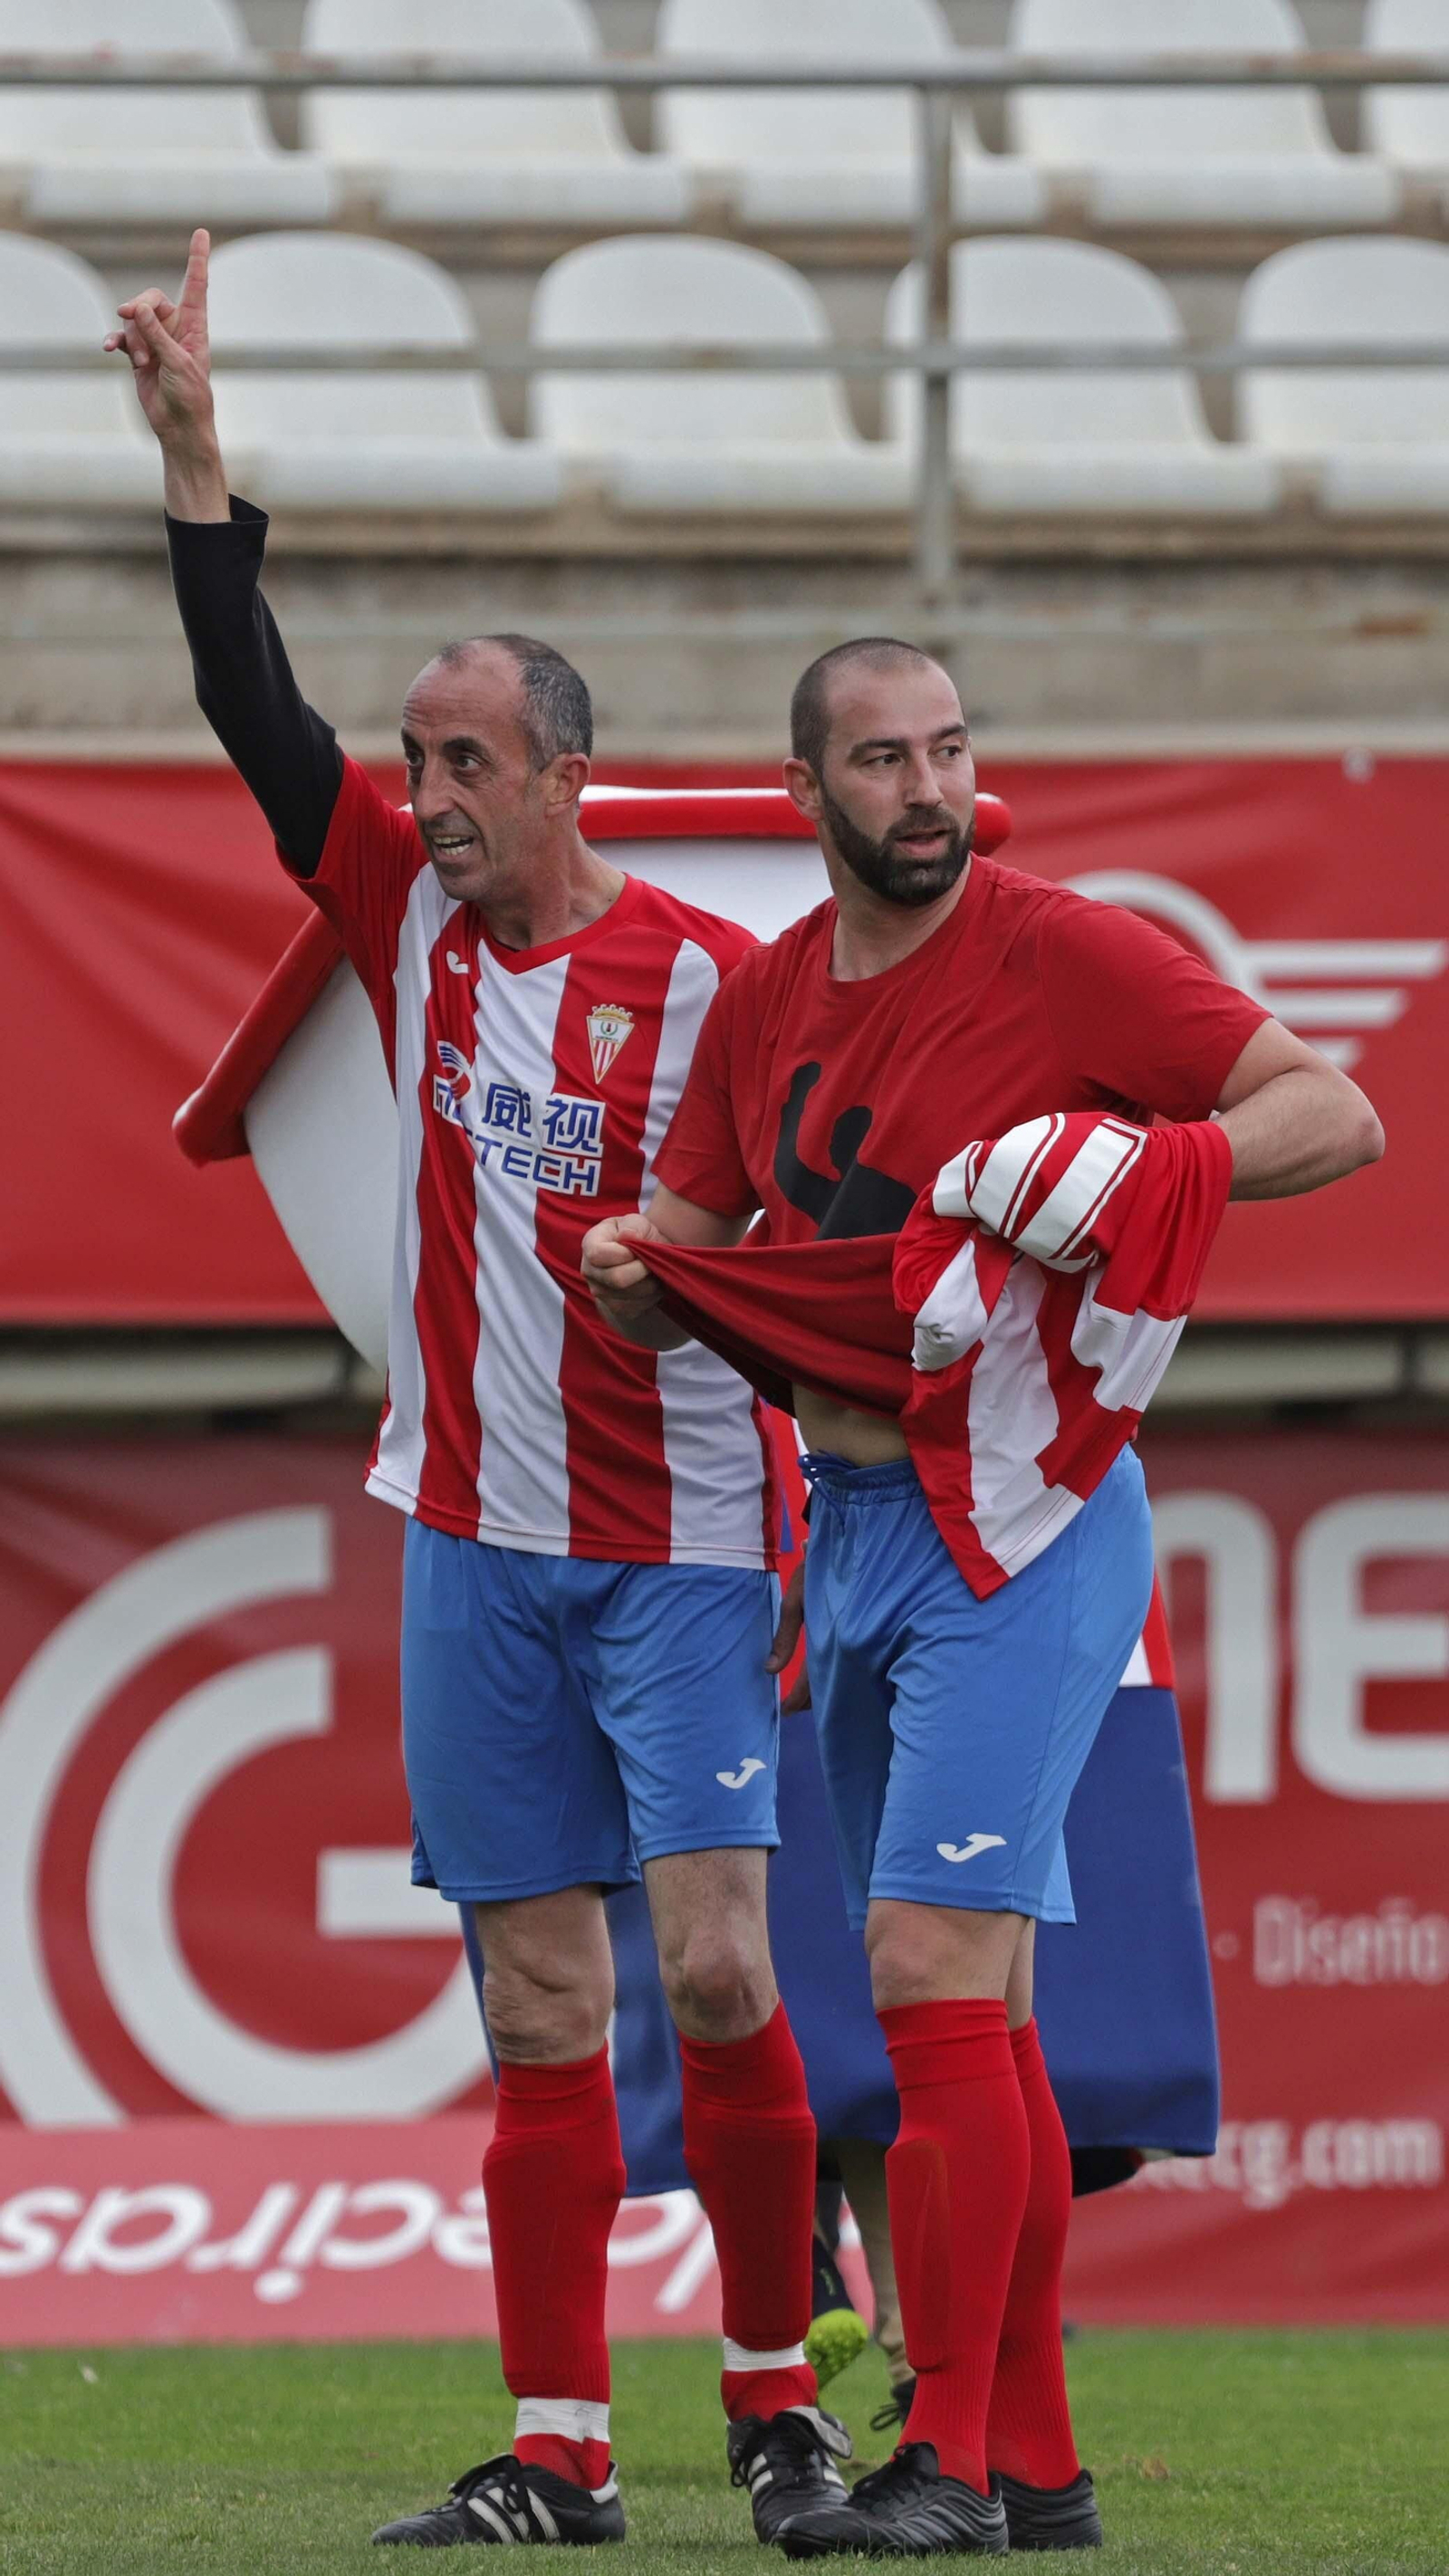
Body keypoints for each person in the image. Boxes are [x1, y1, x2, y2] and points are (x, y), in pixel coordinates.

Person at [107, 232, 857, 2553]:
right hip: (469, 1540)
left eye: (463, 763)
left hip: (689, 1539)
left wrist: (697, 1280)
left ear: (559, 775)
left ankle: (774, 2395)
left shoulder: (725, 984)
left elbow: (821, 1244)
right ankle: (556, 2446)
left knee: (716, 1959)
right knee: (536, 2007)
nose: (420, 795)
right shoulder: (396, 915)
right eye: (414, 761)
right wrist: (197, 457)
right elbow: (253, 711)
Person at [581, 637, 1383, 2557]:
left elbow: (1329, 1113)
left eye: (946, 751)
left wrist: (1131, 1163)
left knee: (934, 1981)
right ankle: (1035, 2468)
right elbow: (695, 1233)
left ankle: (935, 2453)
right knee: (983, 2007)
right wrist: (636, 1263)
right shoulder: (765, 1000)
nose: (923, 788)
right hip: (844, 1527)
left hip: (1017, 1517)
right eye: (878, 759)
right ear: (806, 793)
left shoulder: (1067, 948)